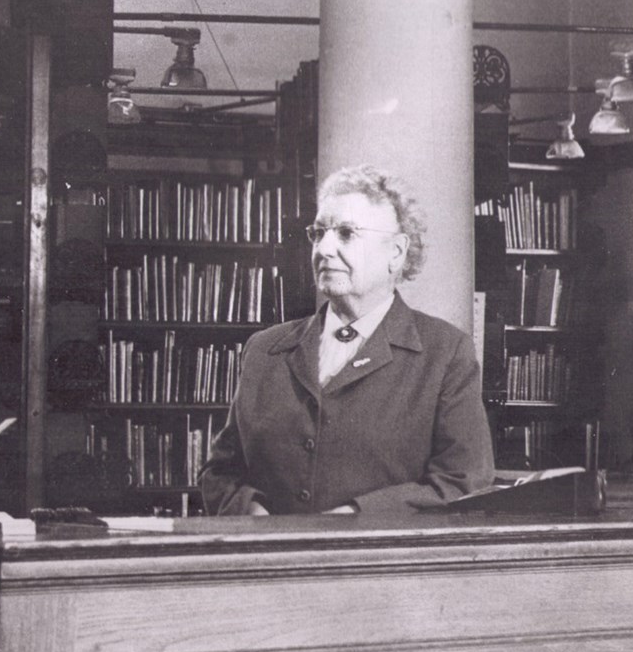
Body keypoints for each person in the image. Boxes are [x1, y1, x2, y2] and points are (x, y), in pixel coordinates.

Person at [200, 163, 493, 516]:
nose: (323, 249)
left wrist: (356, 518)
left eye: (346, 234)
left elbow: (462, 483)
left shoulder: (444, 352)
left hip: (376, 565)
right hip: (270, 561)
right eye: (318, 232)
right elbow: (220, 472)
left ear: (396, 253)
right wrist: (250, 509)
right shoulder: (265, 349)